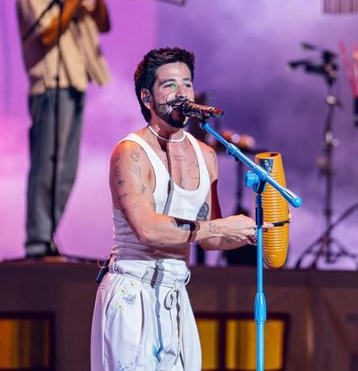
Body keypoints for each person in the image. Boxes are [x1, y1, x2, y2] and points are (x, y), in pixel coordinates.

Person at [90, 48, 270, 370]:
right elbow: (148, 229)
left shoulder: (207, 155)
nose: (181, 92)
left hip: (176, 294)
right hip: (133, 291)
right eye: (170, 85)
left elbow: (211, 238)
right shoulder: (130, 152)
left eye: (187, 84)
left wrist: (256, 232)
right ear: (147, 98)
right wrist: (219, 227)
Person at [16, 0, 111, 259]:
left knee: (66, 170)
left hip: (75, 83)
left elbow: (103, 25)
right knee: (47, 165)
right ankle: (36, 241)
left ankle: (47, 236)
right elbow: (47, 34)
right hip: (49, 87)